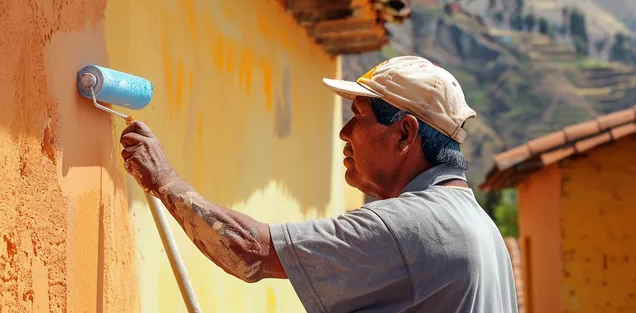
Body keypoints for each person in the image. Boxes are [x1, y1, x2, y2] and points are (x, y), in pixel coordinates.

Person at [119, 56, 518, 312]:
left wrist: (164, 180)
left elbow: (251, 251)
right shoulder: (484, 232)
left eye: (358, 116)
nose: (345, 133)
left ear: (404, 134)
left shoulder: (408, 226)